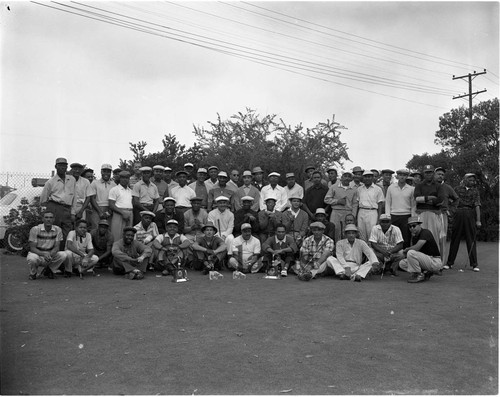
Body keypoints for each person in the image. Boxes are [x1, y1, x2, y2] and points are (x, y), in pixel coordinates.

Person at [445, 173, 482, 271]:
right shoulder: (457, 189)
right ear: (465, 180)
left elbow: (477, 205)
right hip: (458, 213)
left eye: (473, 180)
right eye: (470, 180)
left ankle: (474, 264)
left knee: (471, 239)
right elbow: (449, 200)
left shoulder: (475, 191)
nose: (472, 182)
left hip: (470, 213)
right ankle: (449, 263)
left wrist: (478, 220)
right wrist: (450, 212)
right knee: (455, 238)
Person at [40, 157, 76, 247]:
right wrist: (46, 213)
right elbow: (43, 200)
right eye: (60, 165)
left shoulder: (72, 180)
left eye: (64, 165)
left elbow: (74, 197)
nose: (62, 168)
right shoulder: (50, 182)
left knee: (67, 232)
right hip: (54, 207)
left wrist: (73, 213)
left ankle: (64, 254)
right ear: (56, 166)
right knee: (54, 231)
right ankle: (53, 254)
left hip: (67, 208)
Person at [413, 165, 445, 258]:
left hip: (433, 214)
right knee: (420, 237)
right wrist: (431, 198)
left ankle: (436, 261)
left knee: (434, 237)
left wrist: (425, 200)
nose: (429, 174)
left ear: (433, 173)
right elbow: (417, 199)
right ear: (424, 173)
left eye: (430, 172)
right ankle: (421, 260)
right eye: (427, 172)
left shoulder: (438, 186)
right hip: (421, 214)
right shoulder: (419, 185)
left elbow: (440, 200)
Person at [399, 216, 442, 283]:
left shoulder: (425, 232)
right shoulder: (414, 236)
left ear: (419, 225)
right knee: (402, 263)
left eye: (414, 226)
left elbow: (417, 247)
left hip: (434, 261)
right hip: (426, 259)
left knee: (410, 252)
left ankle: (418, 274)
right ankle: (425, 273)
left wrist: (406, 250)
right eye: (410, 227)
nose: (412, 228)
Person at [26, 210, 67, 280]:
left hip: (50, 254)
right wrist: (43, 254)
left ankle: (50, 270)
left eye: (51, 218)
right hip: (38, 254)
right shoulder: (35, 229)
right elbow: (32, 248)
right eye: (46, 217)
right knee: (32, 258)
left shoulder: (58, 229)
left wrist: (50, 254)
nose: (48, 219)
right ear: (43, 219)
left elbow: (57, 246)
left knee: (63, 255)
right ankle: (33, 273)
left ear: (54, 219)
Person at [324, 171, 358, 243]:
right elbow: (326, 199)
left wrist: (353, 215)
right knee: (335, 231)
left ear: (351, 179)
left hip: (348, 213)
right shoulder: (334, 187)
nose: (347, 178)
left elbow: (355, 204)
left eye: (349, 177)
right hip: (336, 212)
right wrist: (337, 201)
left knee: (347, 231)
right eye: (345, 176)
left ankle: (346, 249)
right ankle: (335, 249)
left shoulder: (354, 189)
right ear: (341, 178)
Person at [385, 168, 416, 248]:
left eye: (404, 175)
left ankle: (404, 257)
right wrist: (388, 216)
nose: (402, 177)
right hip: (393, 216)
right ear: (397, 176)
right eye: (400, 175)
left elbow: (413, 205)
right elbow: (388, 203)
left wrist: (412, 219)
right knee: (392, 238)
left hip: (406, 216)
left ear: (407, 177)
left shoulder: (411, 189)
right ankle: (392, 257)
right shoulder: (391, 188)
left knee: (406, 238)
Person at [434, 167, 459, 264]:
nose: (440, 176)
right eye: (438, 174)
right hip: (430, 214)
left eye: (442, 174)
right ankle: (430, 262)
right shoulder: (430, 186)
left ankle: (441, 263)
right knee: (430, 237)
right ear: (434, 174)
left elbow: (456, 199)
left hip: (442, 214)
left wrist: (450, 211)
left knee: (442, 239)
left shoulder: (447, 187)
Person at [355, 170, 384, 242]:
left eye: (369, 177)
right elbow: (357, 204)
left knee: (372, 232)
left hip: (372, 212)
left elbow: (380, 204)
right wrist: (356, 216)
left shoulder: (378, 189)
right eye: (366, 177)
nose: (367, 178)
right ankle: (363, 252)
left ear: (372, 178)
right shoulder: (359, 189)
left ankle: (371, 251)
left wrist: (379, 218)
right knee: (361, 233)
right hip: (361, 211)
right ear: (363, 178)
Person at [108, 171, 134, 242]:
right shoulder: (114, 189)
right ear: (120, 179)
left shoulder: (130, 191)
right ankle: (115, 252)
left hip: (129, 213)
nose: (125, 180)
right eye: (123, 178)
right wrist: (122, 213)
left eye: (127, 178)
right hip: (118, 213)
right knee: (116, 235)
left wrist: (128, 214)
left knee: (128, 236)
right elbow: (111, 204)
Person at [89, 163, 116, 228]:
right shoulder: (95, 183)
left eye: (108, 171)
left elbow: (115, 200)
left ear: (111, 173)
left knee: (108, 228)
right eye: (104, 171)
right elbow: (92, 198)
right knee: (96, 228)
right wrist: (100, 212)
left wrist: (109, 211)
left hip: (110, 208)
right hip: (97, 208)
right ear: (101, 172)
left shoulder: (114, 184)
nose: (106, 173)